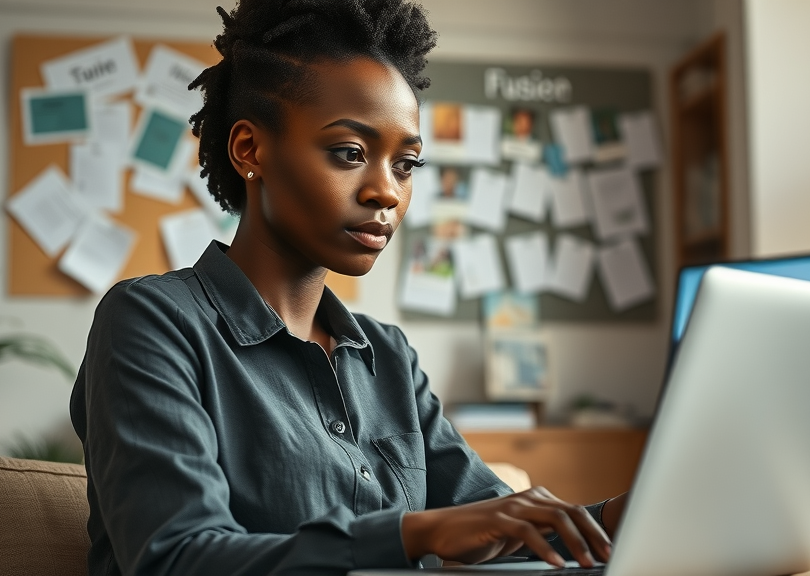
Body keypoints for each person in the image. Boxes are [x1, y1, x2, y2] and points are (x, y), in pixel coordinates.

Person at [69, 1, 626, 575]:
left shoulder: (387, 357)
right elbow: (175, 558)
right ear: (249, 150)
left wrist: (616, 517)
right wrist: (414, 533)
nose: (386, 192)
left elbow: (497, 523)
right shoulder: (150, 321)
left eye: (406, 164)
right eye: (350, 154)